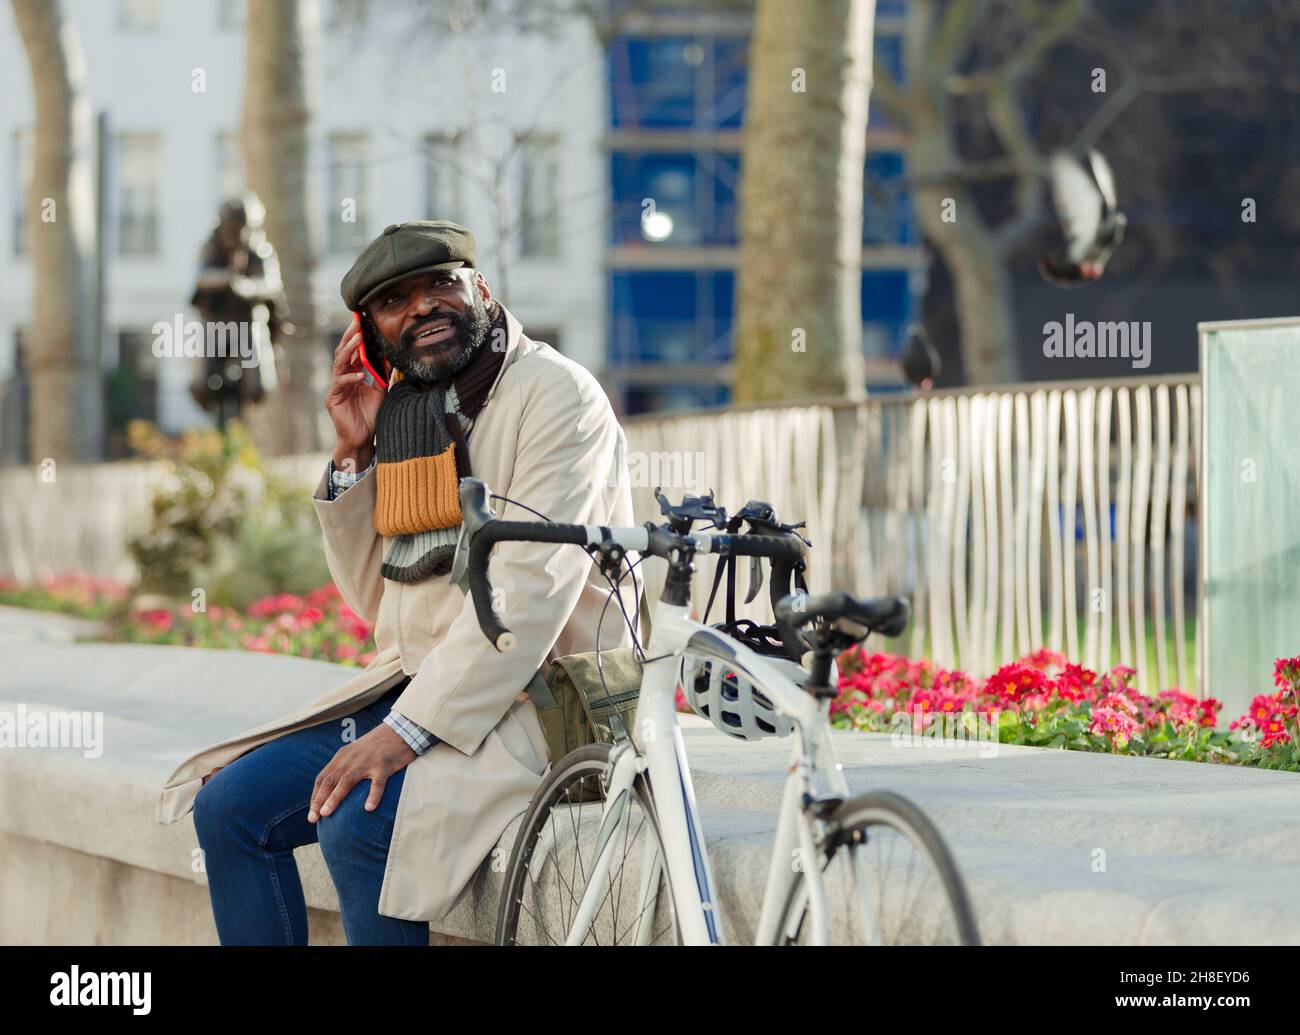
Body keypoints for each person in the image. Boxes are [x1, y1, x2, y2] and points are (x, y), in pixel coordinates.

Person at [157, 220, 636, 944]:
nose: (422, 307)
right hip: (421, 682)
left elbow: (528, 600)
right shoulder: (409, 412)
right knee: (229, 809)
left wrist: (402, 734)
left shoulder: (554, 395)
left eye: (440, 284)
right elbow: (380, 604)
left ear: (479, 287)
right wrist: (354, 454)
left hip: (544, 695)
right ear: (371, 333)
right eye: (393, 301)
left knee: (363, 822)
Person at [188, 193, 287, 426]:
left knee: (257, 385)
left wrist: (246, 288)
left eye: (241, 228)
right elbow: (201, 277)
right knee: (202, 384)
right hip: (217, 324)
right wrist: (226, 279)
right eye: (232, 227)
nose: (236, 234)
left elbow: (272, 285)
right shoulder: (211, 247)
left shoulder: (260, 250)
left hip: (249, 323)